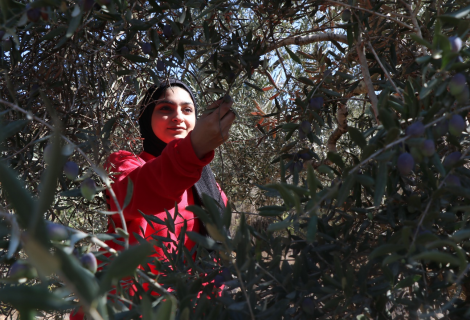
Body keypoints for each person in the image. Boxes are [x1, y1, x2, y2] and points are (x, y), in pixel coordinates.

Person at [103, 78, 235, 276]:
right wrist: (193, 149)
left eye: (187, 110)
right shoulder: (123, 164)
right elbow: (135, 196)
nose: (178, 117)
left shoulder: (209, 185)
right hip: (134, 302)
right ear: (146, 117)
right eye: (166, 109)